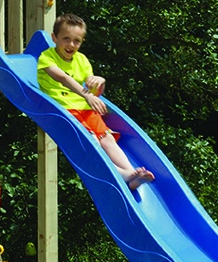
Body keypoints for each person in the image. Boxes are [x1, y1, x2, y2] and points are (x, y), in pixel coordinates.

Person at [37, 13, 154, 189]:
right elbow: (63, 78)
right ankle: (120, 174)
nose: (71, 44)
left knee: (107, 138)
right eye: (66, 39)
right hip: (63, 109)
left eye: (76, 40)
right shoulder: (47, 57)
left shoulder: (81, 60)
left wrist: (100, 82)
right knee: (92, 140)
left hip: (85, 109)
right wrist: (86, 94)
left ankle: (132, 173)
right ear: (54, 38)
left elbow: (95, 90)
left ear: (82, 42)